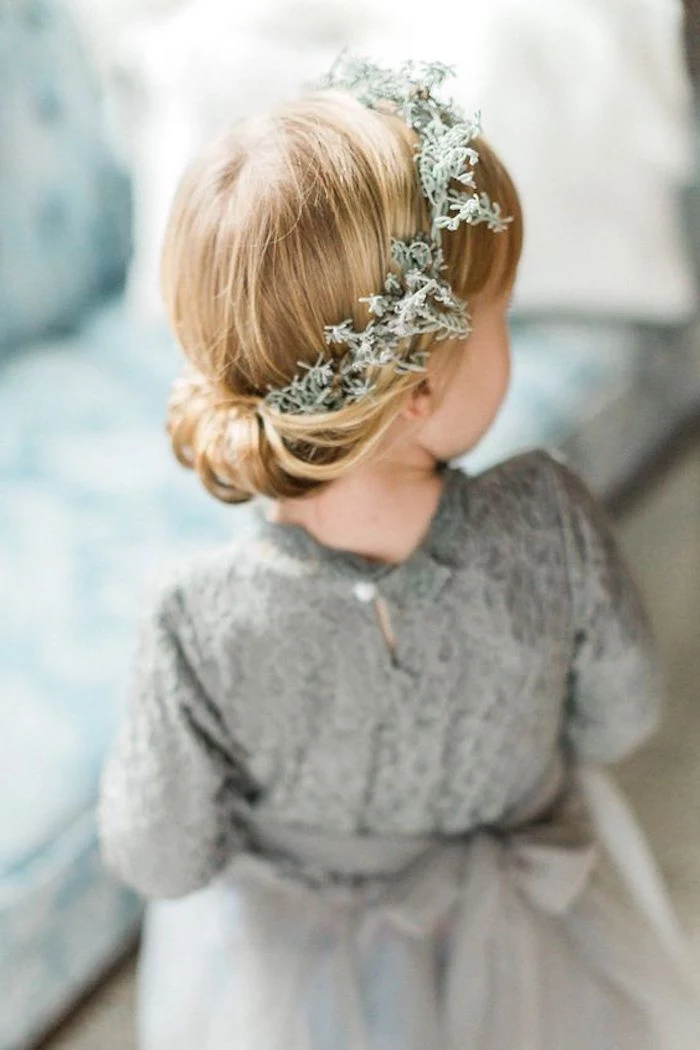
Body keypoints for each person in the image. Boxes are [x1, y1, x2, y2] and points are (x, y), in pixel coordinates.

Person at [99, 56, 700, 1049]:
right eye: (499, 317)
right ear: (417, 390)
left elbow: (160, 856)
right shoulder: (546, 518)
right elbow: (618, 716)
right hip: (523, 930)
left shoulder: (193, 621)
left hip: (291, 981)